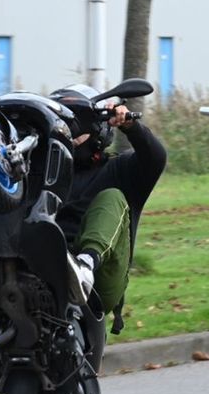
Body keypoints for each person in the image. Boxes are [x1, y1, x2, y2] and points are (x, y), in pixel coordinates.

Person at [49, 85, 167, 337]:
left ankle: (84, 264)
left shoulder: (120, 169)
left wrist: (129, 126)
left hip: (100, 276)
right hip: (49, 262)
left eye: (75, 124)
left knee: (112, 198)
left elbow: (155, 158)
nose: (68, 132)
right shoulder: (45, 175)